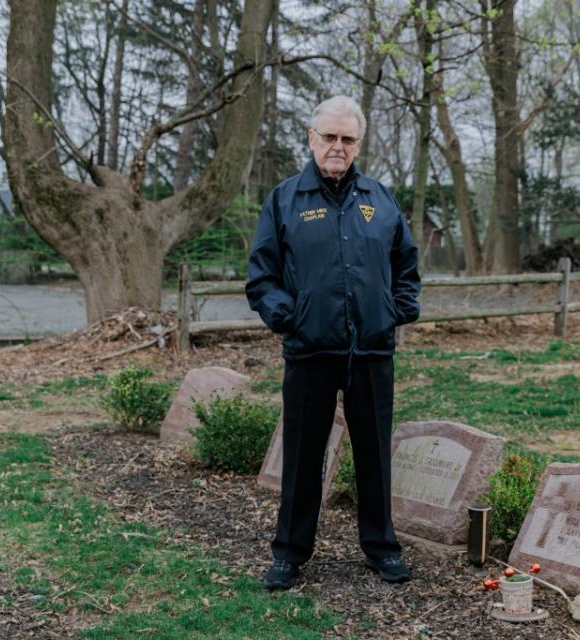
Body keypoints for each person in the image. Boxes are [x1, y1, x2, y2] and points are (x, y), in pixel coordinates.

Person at [246, 95, 421, 590]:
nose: (338, 147)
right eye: (329, 137)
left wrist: (396, 311)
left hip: (371, 352)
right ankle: (289, 553)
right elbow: (263, 276)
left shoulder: (380, 200)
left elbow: (406, 266)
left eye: (347, 139)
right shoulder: (285, 200)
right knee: (302, 457)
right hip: (309, 351)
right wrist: (289, 318)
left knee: (374, 455)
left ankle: (382, 548)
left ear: (358, 144)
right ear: (311, 138)